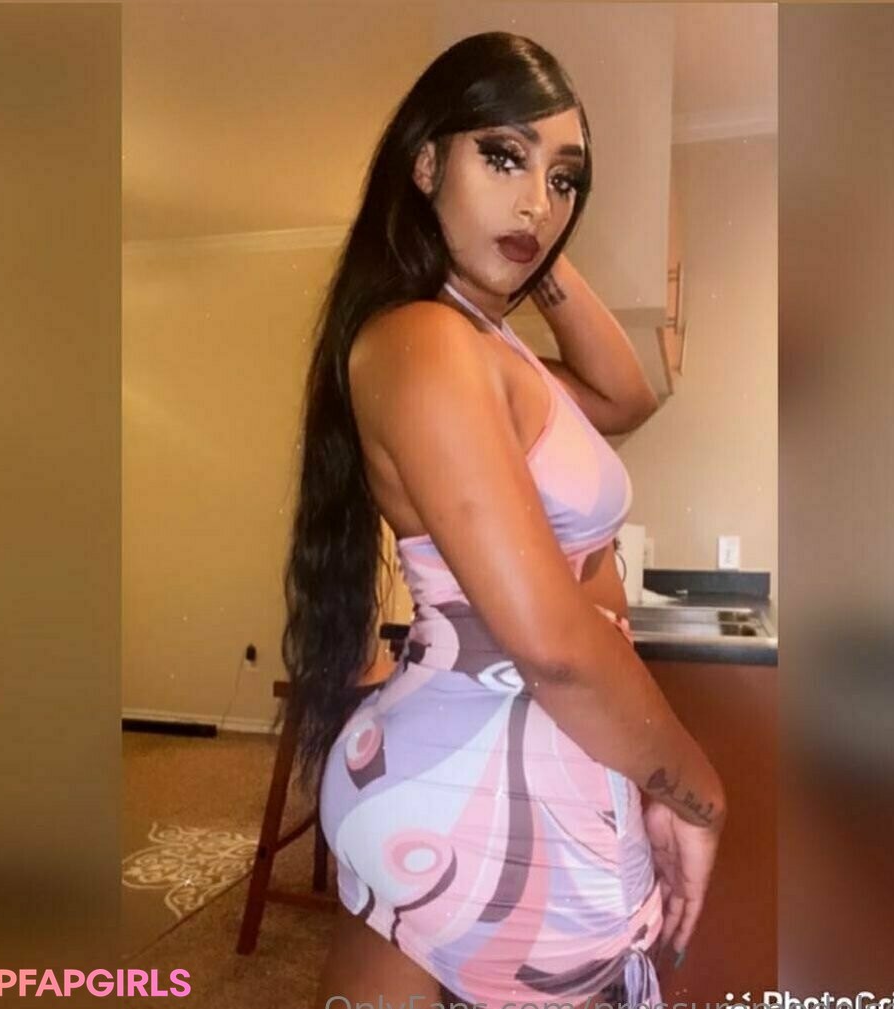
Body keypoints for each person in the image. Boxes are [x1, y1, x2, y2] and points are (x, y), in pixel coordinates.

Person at [281, 31, 726, 1009]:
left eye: (563, 178)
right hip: (476, 776)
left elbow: (627, 394)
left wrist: (531, 249)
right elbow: (553, 646)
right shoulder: (424, 340)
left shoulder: (484, 344)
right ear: (424, 163)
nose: (539, 200)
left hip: (514, 761)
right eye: (503, 156)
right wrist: (696, 788)